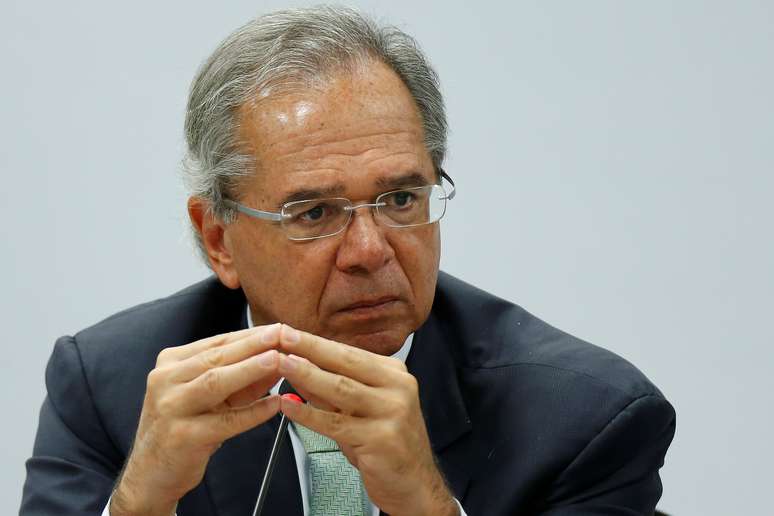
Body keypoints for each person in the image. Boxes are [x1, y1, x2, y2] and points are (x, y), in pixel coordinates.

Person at [21, 6, 675, 516]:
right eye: (314, 214)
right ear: (218, 239)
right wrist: (138, 505)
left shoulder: (583, 420)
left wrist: (428, 506)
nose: (370, 251)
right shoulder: (110, 389)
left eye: (399, 198)